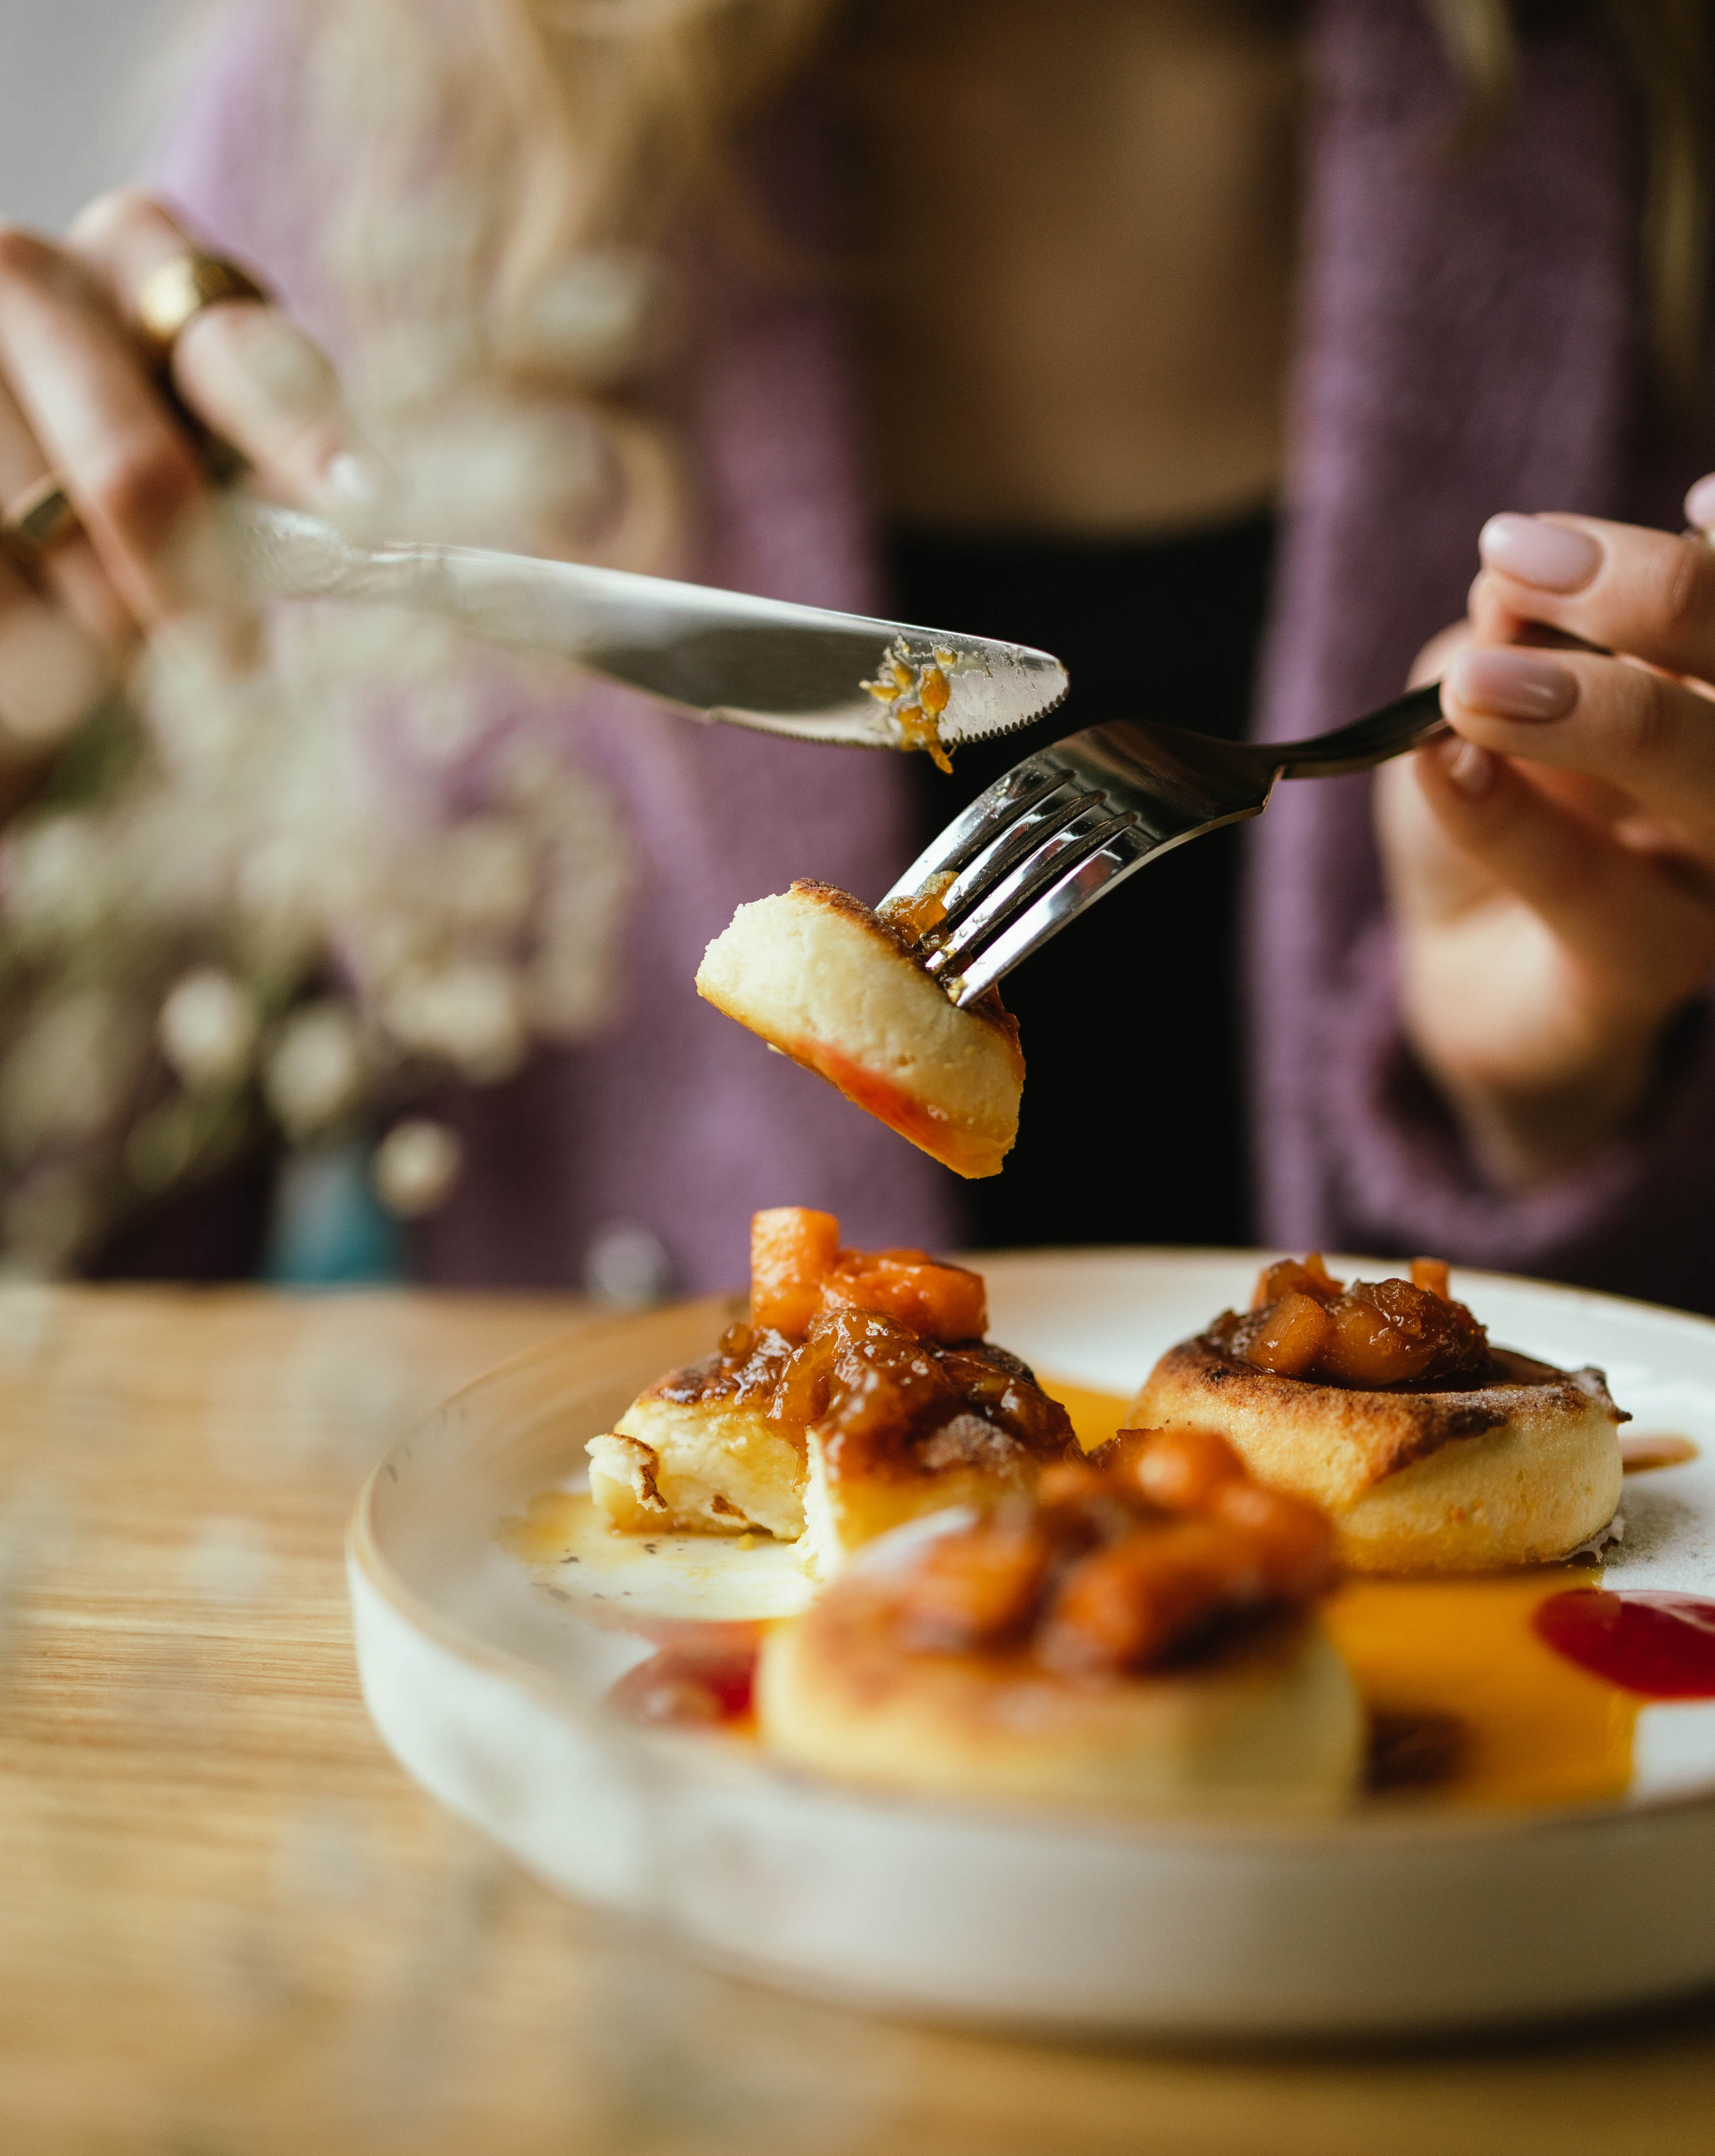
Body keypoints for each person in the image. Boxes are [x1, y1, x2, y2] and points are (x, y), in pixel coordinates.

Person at [1, 0, 1713, 1304]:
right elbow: (102, 1267)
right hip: (614, 1692)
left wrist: (1567, 1101)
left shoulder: (1658, 127)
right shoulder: (360, 139)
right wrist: (29, 785)